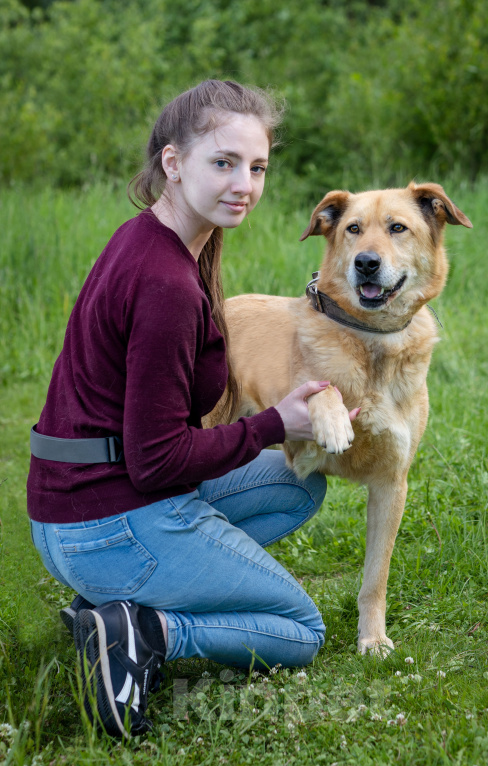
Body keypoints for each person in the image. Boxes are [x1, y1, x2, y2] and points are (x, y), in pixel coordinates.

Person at [27, 79, 359, 739]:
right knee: (299, 629)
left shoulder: (155, 239)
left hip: (73, 513)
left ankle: (112, 603)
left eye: (257, 167)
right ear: (172, 164)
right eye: (223, 163)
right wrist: (273, 424)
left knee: (295, 485)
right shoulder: (164, 285)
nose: (244, 183)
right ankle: (145, 631)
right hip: (105, 521)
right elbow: (157, 462)